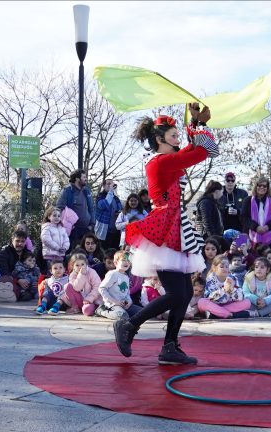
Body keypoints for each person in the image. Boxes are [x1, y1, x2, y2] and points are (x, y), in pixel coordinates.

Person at [113, 106, 219, 365]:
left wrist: (194, 122)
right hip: (164, 229)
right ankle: (130, 325)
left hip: (176, 228)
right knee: (176, 293)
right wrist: (199, 126)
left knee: (183, 293)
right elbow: (204, 152)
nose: (178, 140)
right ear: (160, 140)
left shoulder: (167, 161)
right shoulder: (160, 162)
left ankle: (170, 346)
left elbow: (194, 152)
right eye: (173, 136)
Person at [197, 254, 251, 319]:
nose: (225, 269)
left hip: (229, 305)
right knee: (201, 302)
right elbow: (210, 297)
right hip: (214, 305)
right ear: (214, 268)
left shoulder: (233, 278)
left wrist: (231, 289)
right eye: (222, 267)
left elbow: (240, 297)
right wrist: (224, 290)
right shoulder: (210, 279)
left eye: (227, 266)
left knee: (247, 302)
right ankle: (230, 314)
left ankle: (218, 314)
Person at [96, 251, 144, 321]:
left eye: (128, 260)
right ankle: (102, 311)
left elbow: (127, 293)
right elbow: (102, 288)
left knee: (143, 312)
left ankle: (123, 312)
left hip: (124, 305)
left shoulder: (126, 276)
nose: (126, 262)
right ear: (116, 263)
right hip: (113, 304)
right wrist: (114, 302)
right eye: (123, 260)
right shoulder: (113, 274)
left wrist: (129, 302)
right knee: (122, 316)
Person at [241, 177, 271, 250]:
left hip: (270, 238)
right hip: (249, 235)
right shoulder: (247, 200)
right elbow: (243, 217)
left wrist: (268, 227)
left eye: (264, 186)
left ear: (268, 188)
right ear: (255, 186)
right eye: (259, 185)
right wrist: (256, 227)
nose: (262, 187)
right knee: (248, 259)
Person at [56, 169, 95, 249]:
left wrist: (92, 224)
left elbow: (91, 208)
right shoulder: (67, 191)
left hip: (86, 229)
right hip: (73, 230)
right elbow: (59, 208)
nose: (86, 179)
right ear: (77, 179)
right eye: (84, 177)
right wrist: (67, 225)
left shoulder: (86, 191)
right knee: (73, 254)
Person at [95, 179, 124, 250]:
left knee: (115, 254)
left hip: (116, 231)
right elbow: (104, 205)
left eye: (112, 184)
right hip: (103, 232)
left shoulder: (116, 198)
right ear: (104, 186)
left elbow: (121, 210)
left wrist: (119, 213)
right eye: (108, 184)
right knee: (104, 254)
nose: (110, 186)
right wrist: (111, 191)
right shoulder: (100, 196)